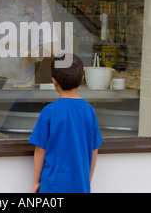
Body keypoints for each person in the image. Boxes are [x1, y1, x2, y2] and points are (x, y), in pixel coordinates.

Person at [29, 54, 103, 193]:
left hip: (52, 186)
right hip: (80, 185)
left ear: (54, 82)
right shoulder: (89, 111)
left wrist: (35, 182)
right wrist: (87, 180)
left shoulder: (49, 111)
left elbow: (40, 150)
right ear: (82, 79)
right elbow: (94, 149)